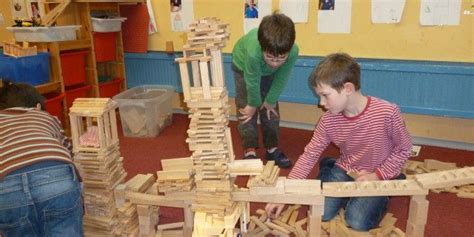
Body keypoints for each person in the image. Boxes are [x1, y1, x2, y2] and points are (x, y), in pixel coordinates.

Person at [265, 53, 412, 231]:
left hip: (376, 173)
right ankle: (332, 168)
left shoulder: (387, 113)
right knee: (321, 212)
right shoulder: (328, 120)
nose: (321, 103)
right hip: (347, 168)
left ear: (348, 88)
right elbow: (309, 155)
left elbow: (404, 149)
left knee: (357, 221)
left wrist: (378, 175)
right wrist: (285, 195)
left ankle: (383, 189)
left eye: (325, 95)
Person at [0, 81, 83, 236]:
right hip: (55, 178)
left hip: (6, 187)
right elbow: (69, 152)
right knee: (64, 227)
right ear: (37, 106)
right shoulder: (45, 117)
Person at [232, 12, 299, 168]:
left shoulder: (293, 52)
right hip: (244, 67)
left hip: (265, 73)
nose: (275, 63)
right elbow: (252, 80)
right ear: (263, 48)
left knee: (270, 109)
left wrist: (269, 100)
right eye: (270, 57)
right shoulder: (254, 52)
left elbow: (281, 77)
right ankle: (249, 149)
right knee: (246, 109)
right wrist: (253, 104)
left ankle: (272, 148)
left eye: (281, 58)